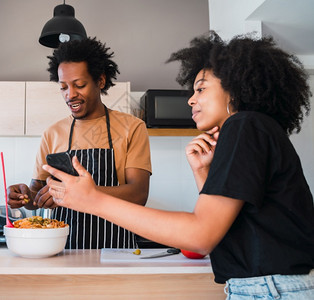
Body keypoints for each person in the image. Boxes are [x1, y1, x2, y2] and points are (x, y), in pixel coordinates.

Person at [44, 31, 314, 299]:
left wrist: (93, 200)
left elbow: (201, 236)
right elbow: (225, 231)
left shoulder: (243, 125)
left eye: (201, 89)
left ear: (234, 87)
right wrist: (203, 171)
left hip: (271, 290)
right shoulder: (253, 129)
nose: (191, 99)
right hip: (267, 287)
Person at [7, 37, 152, 249]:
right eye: (63, 87)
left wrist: (79, 193)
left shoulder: (132, 127)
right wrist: (23, 196)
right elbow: (35, 197)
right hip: (64, 251)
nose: (70, 95)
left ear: (100, 81)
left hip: (118, 250)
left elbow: (139, 194)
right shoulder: (52, 133)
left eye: (79, 85)